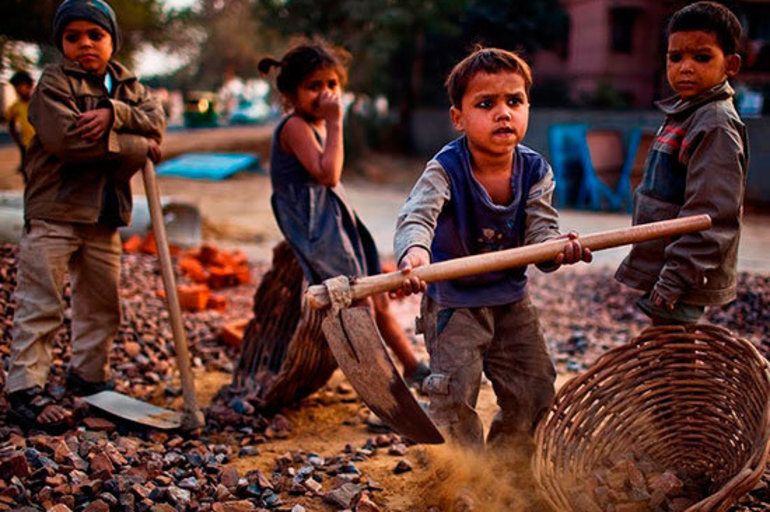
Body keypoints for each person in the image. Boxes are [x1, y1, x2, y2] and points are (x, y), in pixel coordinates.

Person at [393, 46, 591, 451]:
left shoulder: (536, 170)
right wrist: (415, 252)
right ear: (458, 118)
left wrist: (555, 249)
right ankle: (459, 476)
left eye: (514, 101)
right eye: (487, 103)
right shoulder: (446, 168)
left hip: (511, 301)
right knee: (453, 394)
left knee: (534, 385)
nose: (504, 112)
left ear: (528, 107)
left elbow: (541, 233)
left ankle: (508, 466)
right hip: (455, 302)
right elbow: (417, 216)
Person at [6, 0, 165, 432]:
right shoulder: (53, 84)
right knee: (42, 302)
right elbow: (69, 142)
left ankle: (88, 378)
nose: (85, 44)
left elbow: (157, 122)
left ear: (112, 40)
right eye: (73, 37)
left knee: (101, 304)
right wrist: (135, 145)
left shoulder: (129, 86)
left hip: (105, 212)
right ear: (61, 43)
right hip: (56, 209)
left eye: (95, 35)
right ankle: (24, 389)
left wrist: (116, 113)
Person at [258, 42, 430, 387]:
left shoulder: (316, 123)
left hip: (334, 219)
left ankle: (411, 365)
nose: (325, 94)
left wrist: (332, 125)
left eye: (331, 85)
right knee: (355, 303)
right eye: (314, 86)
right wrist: (337, 123)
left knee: (375, 296)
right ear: (291, 94)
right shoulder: (295, 126)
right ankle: (381, 382)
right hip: (315, 226)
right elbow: (328, 174)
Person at [615, 1, 747, 325]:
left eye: (701, 57)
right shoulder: (685, 114)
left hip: (685, 275)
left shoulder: (714, 124)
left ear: (730, 64)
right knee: (667, 353)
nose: (685, 67)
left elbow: (710, 215)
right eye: (676, 57)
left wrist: (676, 277)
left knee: (675, 355)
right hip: (668, 267)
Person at [5, 70, 36, 184]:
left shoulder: (38, 102)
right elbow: (11, 124)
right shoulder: (15, 107)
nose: (18, 90)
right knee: (27, 176)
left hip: (42, 145)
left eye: (21, 86)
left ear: (29, 86)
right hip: (26, 146)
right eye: (16, 87)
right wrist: (19, 141)